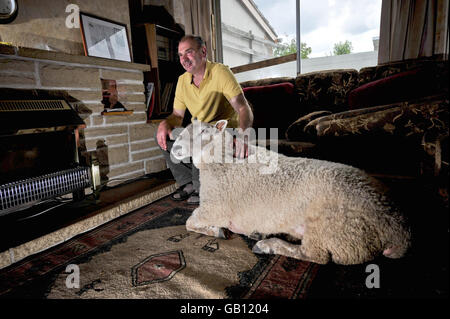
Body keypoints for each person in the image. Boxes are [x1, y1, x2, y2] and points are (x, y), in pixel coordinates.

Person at [156, 35, 253, 204]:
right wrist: (165, 124)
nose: (184, 59)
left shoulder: (221, 72)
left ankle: (202, 187)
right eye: (180, 55)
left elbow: (243, 108)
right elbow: (177, 116)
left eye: (189, 52)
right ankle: (188, 183)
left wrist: (243, 135)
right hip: (199, 131)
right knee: (164, 134)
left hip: (223, 131)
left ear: (203, 51)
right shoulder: (182, 81)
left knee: (201, 137)